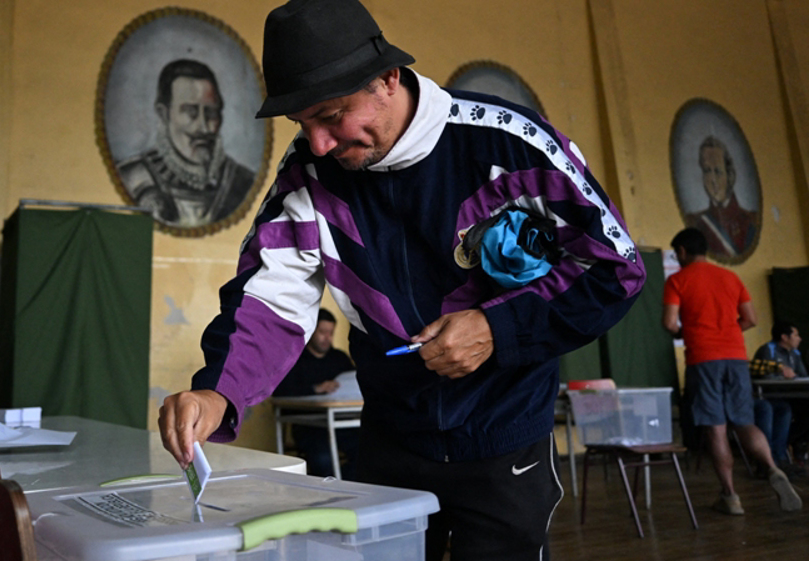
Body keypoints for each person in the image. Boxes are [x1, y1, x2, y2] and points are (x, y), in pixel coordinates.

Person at [158, 1, 646, 559]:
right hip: (391, 439)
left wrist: (497, 328)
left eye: (332, 115)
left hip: (505, 435)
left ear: (389, 78)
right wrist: (219, 390)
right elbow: (270, 296)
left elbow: (617, 268)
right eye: (302, 124)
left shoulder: (509, 143)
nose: (318, 144)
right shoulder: (308, 176)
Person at [662, 227, 801, 515]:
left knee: (716, 428)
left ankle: (730, 496)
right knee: (744, 421)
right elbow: (751, 319)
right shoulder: (731, 277)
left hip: (704, 360)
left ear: (683, 252)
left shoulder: (678, 280)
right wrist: (725, 331)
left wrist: (690, 332)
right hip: (736, 357)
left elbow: (669, 323)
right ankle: (773, 467)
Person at [117, 59, 256, 228]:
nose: (203, 127)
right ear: (164, 113)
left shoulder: (243, 183)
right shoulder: (131, 179)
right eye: (191, 112)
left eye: (211, 113)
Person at [272, 308, 357, 478]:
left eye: (331, 333)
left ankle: (343, 484)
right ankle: (332, 487)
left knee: (368, 452)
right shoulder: (295, 358)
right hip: (308, 427)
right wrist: (315, 389)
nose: (327, 338)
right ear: (311, 331)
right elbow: (278, 391)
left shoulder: (339, 359)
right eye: (322, 332)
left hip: (341, 425)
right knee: (323, 460)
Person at [683, 136, 758, 260]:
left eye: (717, 171)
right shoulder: (696, 221)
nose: (712, 180)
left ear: (730, 175)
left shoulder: (750, 221)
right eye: (707, 171)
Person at [752, 320, 808, 472]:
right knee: (777, 409)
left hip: (788, 396)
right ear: (784, 337)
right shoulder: (767, 350)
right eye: (796, 335)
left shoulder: (795, 353)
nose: (799, 338)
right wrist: (782, 375)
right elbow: (764, 377)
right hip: (766, 397)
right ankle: (769, 459)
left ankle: (789, 447)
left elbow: (802, 376)